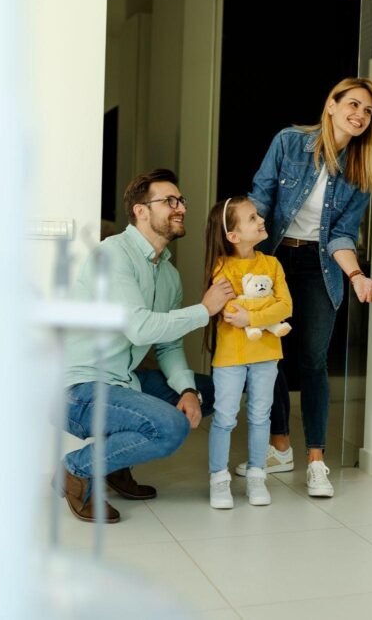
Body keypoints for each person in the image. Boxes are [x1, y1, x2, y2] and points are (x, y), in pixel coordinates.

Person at [57, 168, 236, 523]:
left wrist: (186, 388)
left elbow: (168, 345)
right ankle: (76, 469)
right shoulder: (112, 255)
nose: (180, 207)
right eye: (169, 201)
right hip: (80, 389)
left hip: (126, 382)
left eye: (181, 200)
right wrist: (204, 310)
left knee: (216, 391)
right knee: (170, 427)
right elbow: (139, 328)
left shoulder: (167, 273)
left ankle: (114, 466)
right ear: (140, 210)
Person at [241, 77, 372, 498]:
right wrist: (243, 257)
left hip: (320, 265)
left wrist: (357, 277)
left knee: (314, 359)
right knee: (273, 353)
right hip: (274, 258)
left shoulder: (361, 174)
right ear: (332, 105)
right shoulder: (289, 143)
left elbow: (342, 235)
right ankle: (280, 444)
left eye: (368, 111)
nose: (359, 115)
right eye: (353, 104)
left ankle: (317, 462)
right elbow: (261, 198)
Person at [203, 196, 292, 509]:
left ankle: (257, 474)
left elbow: (286, 306)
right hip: (230, 357)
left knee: (260, 416)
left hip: (267, 353)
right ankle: (218, 478)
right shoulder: (221, 268)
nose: (261, 220)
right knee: (225, 417)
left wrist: (251, 317)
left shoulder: (272, 264)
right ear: (234, 236)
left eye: (258, 215)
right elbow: (230, 310)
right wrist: (263, 310)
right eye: (252, 218)